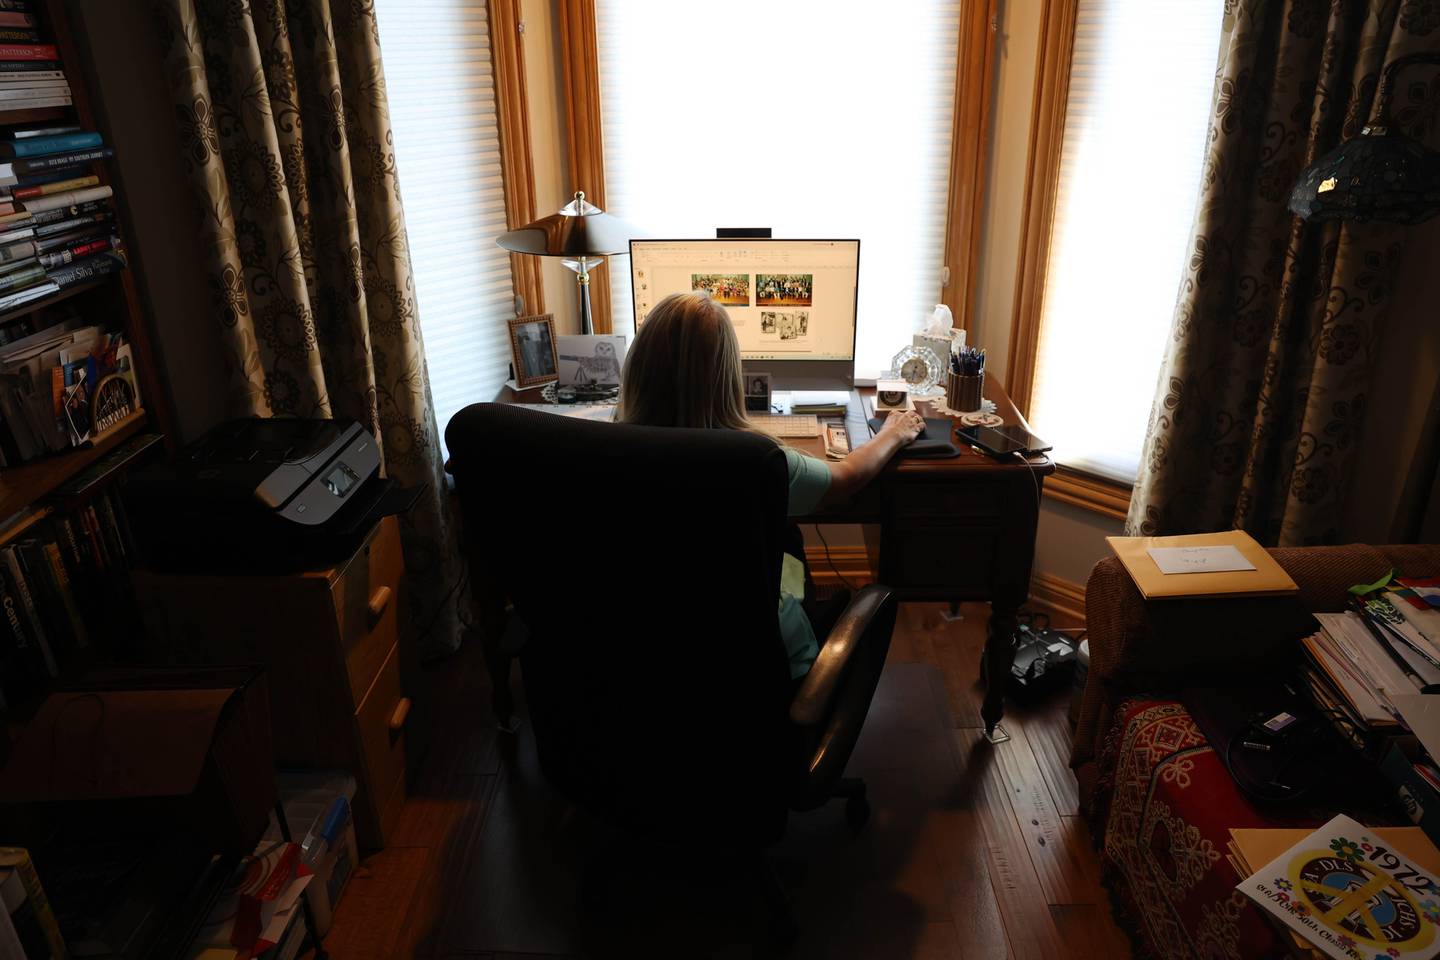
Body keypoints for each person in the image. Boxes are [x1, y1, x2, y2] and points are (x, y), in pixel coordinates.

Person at [617, 291, 924, 680]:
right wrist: (894, 433)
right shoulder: (758, 461)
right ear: (727, 376)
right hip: (757, 673)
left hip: (634, 669)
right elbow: (847, 477)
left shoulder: (606, 447)